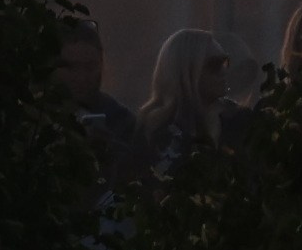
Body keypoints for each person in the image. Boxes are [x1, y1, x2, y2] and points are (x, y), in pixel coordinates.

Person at [132, 29, 249, 179]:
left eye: (225, 62)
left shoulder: (240, 120)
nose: (223, 71)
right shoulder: (155, 129)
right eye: (214, 64)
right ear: (186, 70)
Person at [55, 19, 136, 189]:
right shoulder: (32, 117)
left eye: (90, 67)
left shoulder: (121, 120)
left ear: (101, 64)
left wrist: (108, 149)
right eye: (70, 68)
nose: (82, 77)